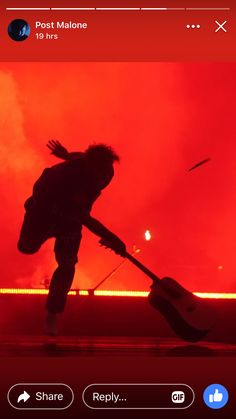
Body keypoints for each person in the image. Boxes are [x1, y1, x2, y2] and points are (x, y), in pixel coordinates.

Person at [18, 140, 126, 335]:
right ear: (88, 168)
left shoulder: (103, 172)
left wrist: (66, 154)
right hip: (42, 213)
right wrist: (113, 238)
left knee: (67, 265)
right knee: (26, 247)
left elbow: (78, 158)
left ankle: (52, 314)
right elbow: (85, 218)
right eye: (99, 174)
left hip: (70, 221)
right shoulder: (63, 176)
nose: (103, 180)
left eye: (105, 174)